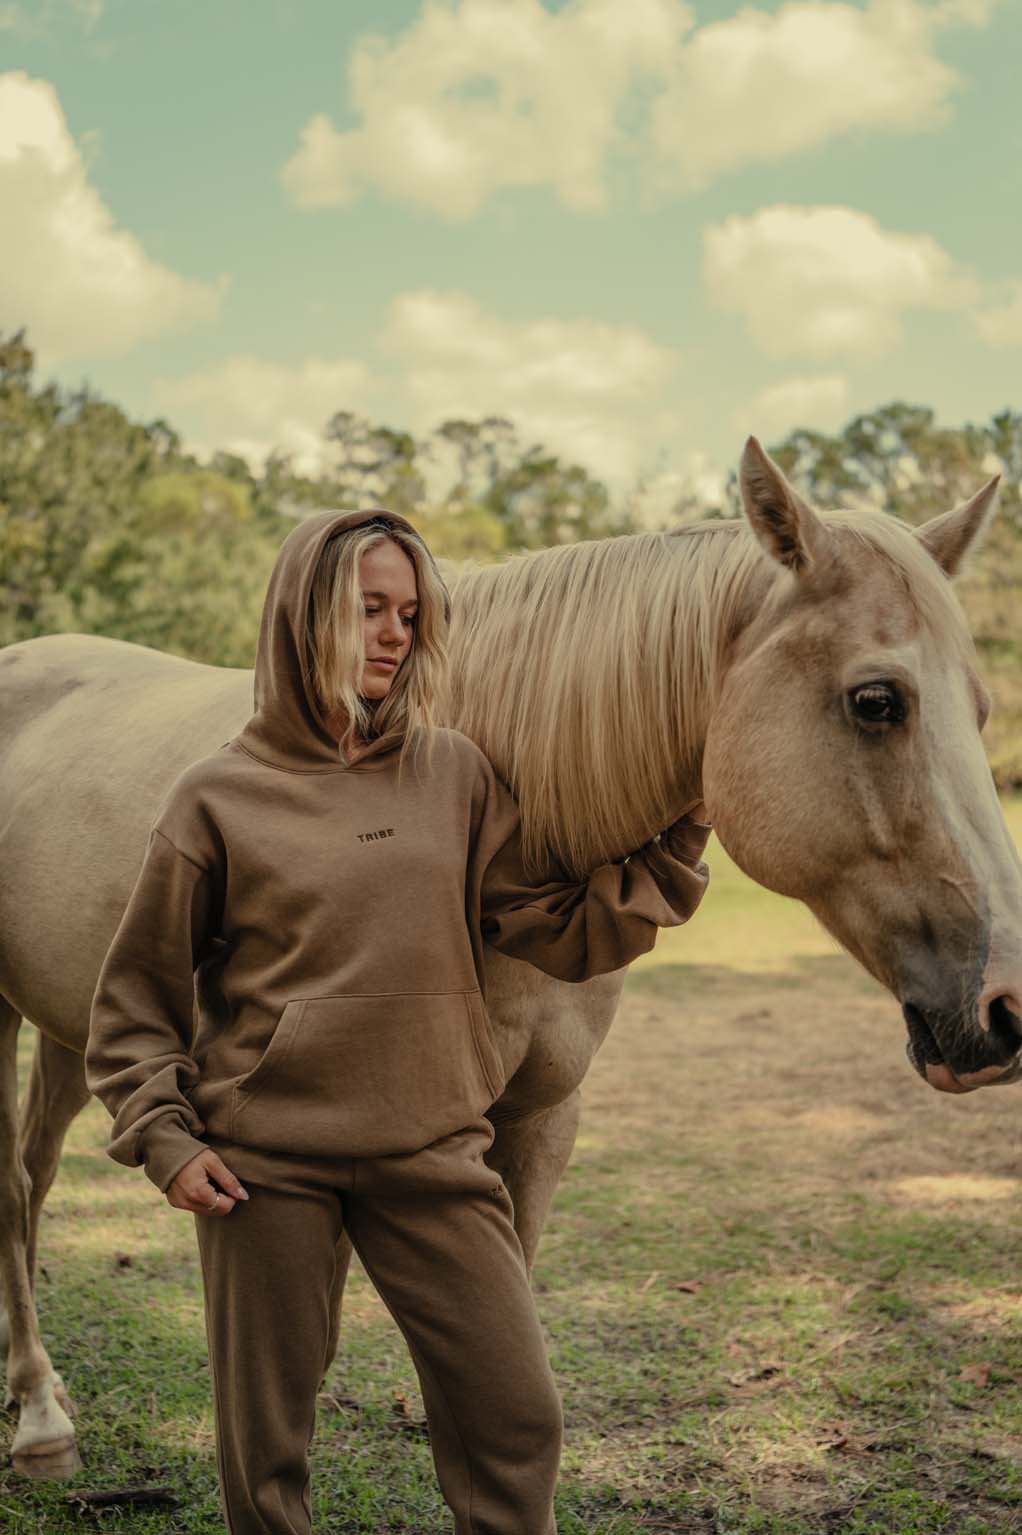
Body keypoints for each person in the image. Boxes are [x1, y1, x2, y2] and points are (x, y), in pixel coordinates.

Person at [85, 506, 712, 1535]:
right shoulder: (215, 798)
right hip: (265, 1167)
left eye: (410, 614)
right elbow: (136, 995)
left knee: (516, 1414)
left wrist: (675, 843)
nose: (393, 634)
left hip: (432, 1153)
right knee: (267, 1449)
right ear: (304, 615)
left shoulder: (453, 773)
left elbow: (549, 927)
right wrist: (164, 1137)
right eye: (368, 608)